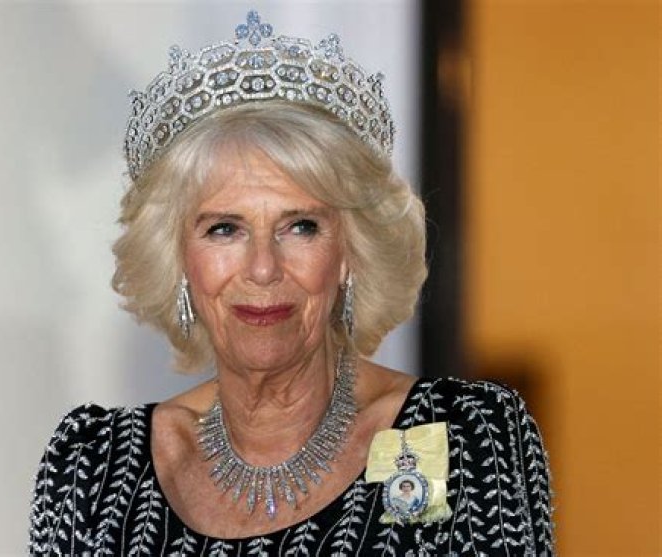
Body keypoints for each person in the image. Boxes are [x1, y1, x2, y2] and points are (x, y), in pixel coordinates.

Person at [29, 10, 553, 556]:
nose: (262, 268)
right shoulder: (94, 467)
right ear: (178, 259)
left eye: (300, 226)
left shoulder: (463, 437)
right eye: (224, 229)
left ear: (349, 254)